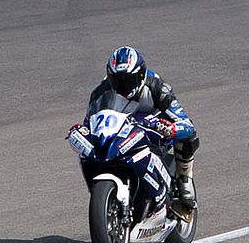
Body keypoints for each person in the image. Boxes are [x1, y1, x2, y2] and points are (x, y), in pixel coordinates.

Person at [75, 46, 199, 208]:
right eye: (117, 80)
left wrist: (173, 129)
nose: (123, 86)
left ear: (141, 75)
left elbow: (187, 123)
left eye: (128, 80)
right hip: (120, 134)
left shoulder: (157, 87)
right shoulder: (100, 92)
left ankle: (184, 180)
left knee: (188, 138)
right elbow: (91, 122)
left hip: (154, 131)